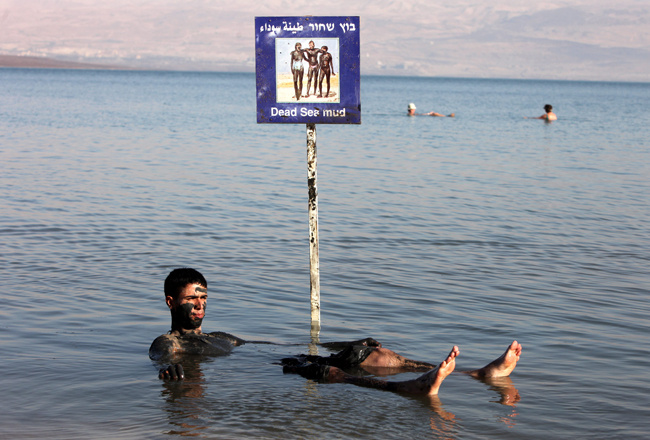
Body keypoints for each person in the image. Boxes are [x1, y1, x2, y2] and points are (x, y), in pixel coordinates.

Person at [151, 268, 522, 397]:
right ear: (171, 302)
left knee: (374, 354)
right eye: (191, 299)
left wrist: (345, 343)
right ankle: (409, 388)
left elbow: (278, 343)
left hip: (285, 354)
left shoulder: (220, 334)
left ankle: (479, 373)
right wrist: (168, 373)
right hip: (277, 368)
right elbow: (162, 360)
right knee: (331, 374)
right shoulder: (169, 342)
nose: (199, 304)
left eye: (204, 297)